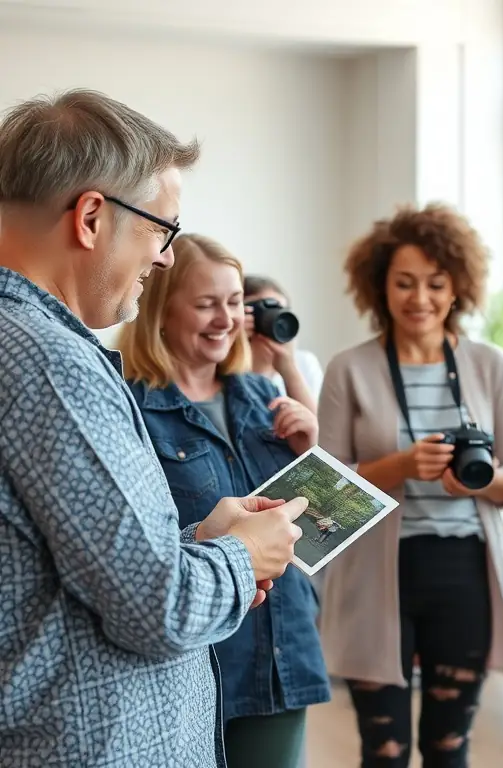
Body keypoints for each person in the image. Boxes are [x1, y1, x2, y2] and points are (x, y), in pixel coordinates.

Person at [0, 89, 307, 768]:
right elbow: (158, 608)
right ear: (89, 217)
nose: (164, 257)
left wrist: (197, 538)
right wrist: (244, 556)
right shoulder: (50, 364)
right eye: (161, 229)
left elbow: (58, 567)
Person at [317, 203, 503, 767]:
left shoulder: (490, 365)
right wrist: (401, 466)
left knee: (448, 746)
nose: (420, 299)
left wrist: (481, 484)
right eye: (404, 283)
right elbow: (323, 494)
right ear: (379, 287)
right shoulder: (349, 369)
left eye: (436, 283)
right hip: (374, 574)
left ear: (458, 286)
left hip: (464, 572)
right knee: (383, 751)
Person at [117, 234, 331, 768]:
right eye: (206, 304)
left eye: (234, 302)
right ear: (161, 311)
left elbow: (315, 525)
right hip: (193, 658)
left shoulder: (264, 395)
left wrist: (311, 450)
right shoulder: (129, 405)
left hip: (283, 646)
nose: (226, 318)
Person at [243, 274, 323, 413]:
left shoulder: (304, 361)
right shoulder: (226, 362)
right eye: (262, 311)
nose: (274, 318)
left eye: (279, 310)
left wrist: (289, 368)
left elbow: (319, 429)